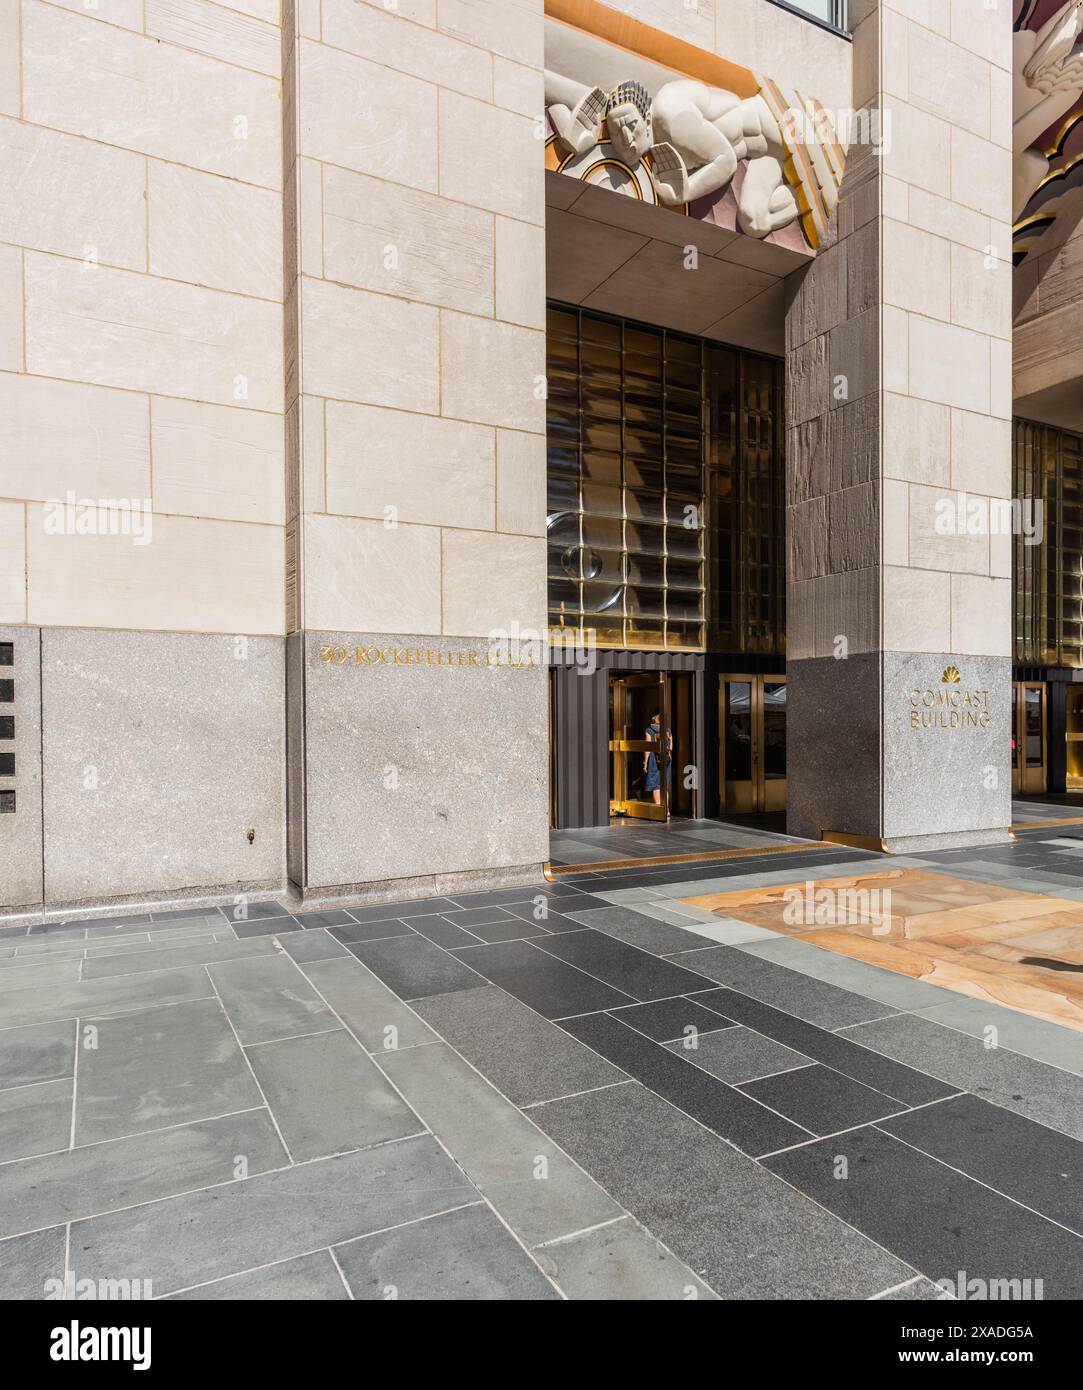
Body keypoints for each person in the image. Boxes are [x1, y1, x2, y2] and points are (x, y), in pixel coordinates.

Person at [643, 710, 673, 811]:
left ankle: (658, 809)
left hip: (653, 759)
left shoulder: (649, 730)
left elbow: (648, 747)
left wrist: (645, 762)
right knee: (664, 784)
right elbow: (671, 747)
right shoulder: (667, 730)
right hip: (666, 758)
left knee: (656, 785)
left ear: (653, 718)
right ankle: (666, 810)